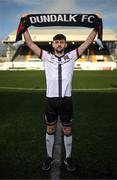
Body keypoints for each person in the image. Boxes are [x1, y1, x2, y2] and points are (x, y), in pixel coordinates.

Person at [21, 14, 101, 171]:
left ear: (65, 44)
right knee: (50, 129)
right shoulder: (46, 56)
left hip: (66, 101)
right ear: (53, 44)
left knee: (67, 130)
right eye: (56, 42)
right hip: (50, 100)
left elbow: (87, 42)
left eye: (62, 42)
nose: (59, 44)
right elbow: (29, 42)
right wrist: (23, 24)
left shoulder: (71, 56)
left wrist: (97, 26)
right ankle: (49, 157)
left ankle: (68, 158)